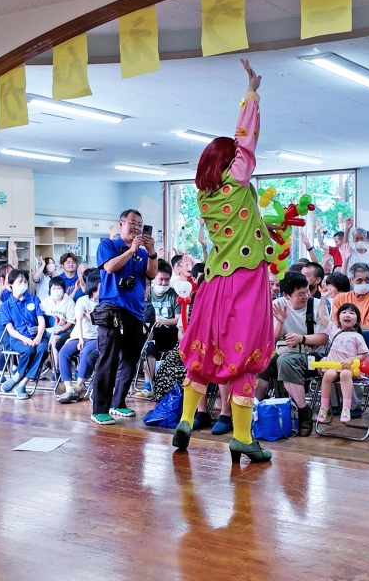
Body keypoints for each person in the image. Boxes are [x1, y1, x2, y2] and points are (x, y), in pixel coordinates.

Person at [172, 59, 276, 464]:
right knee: (244, 358)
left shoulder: (204, 196)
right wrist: (251, 93)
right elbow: (245, 140)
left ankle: (186, 420)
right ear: (230, 161)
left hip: (214, 282)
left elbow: (235, 223)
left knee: (204, 354)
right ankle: (242, 438)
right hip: (246, 281)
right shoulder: (238, 178)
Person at [89, 209, 157, 425]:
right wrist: (131, 250)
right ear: (121, 224)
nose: (136, 227)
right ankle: (99, 409)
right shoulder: (108, 245)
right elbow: (109, 267)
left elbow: (152, 274)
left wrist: (152, 252)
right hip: (112, 310)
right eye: (132, 223)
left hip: (136, 311)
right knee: (108, 359)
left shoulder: (143, 253)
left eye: (139, 224)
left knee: (130, 360)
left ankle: (118, 403)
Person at [267, 271, 330, 436]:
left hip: (313, 357)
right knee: (262, 363)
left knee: (285, 362)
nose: (306, 296)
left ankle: (304, 412)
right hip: (283, 352)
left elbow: (325, 338)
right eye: (300, 294)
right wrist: (280, 322)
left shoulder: (317, 305)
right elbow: (272, 338)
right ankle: (258, 409)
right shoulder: (277, 305)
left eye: (307, 291)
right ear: (286, 295)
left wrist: (301, 338)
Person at [316, 303, 369, 424]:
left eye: (352, 313)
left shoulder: (357, 336)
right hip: (333, 366)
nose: (347, 315)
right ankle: (324, 407)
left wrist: (350, 360)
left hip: (349, 368)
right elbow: (322, 315)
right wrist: (323, 298)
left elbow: (363, 355)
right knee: (328, 375)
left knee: (345, 374)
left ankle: (346, 409)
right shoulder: (334, 330)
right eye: (344, 312)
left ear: (357, 320)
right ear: (338, 318)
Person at [0, 270, 48, 400]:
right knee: (29, 350)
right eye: (20, 281)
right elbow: (10, 329)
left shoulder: (34, 299)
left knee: (43, 349)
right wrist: (24, 338)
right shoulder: (5, 305)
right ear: (11, 284)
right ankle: (18, 377)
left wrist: (38, 337)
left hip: (37, 335)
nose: (23, 284)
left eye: (25, 281)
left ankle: (21, 382)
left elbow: (41, 321)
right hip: (18, 338)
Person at [138, 260, 180, 400]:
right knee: (150, 346)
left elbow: (177, 320)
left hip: (169, 333)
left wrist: (161, 321)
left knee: (152, 333)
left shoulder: (174, 295)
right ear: (154, 278)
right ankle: (148, 385)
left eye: (167, 280)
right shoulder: (148, 294)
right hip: (151, 335)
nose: (163, 283)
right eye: (160, 279)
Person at [57, 276, 101, 404]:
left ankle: (78, 387)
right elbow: (79, 320)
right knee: (63, 352)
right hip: (78, 335)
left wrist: (90, 315)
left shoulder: (104, 303)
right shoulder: (82, 300)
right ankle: (69, 389)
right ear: (93, 287)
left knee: (85, 353)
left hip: (95, 337)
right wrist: (80, 339)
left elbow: (100, 321)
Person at [331, 263, 369, 332]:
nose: (364, 283)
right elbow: (335, 322)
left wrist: (346, 325)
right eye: (359, 280)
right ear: (351, 281)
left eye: (367, 280)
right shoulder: (339, 298)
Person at [41, 276, 76, 377]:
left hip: (64, 331)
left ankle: (56, 369)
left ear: (63, 289)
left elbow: (70, 322)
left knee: (54, 339)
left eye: (59, 288)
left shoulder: (69, 302)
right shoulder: (46, 301)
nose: (56, 291)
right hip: (48, 330)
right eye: (53, 288)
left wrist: (60, 330)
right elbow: (41, 317)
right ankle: (39, 368)